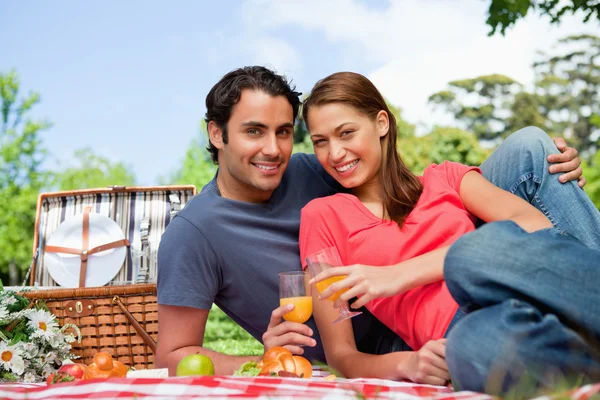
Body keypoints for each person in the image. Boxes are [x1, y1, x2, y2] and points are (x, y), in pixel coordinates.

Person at [155, 66, 588, 376]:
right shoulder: (199, 233)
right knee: (481, 327)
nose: (273, 149)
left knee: (533, 151)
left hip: (480, 271)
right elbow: (171, 355)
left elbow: (419, 191)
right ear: (217, 134)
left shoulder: (314, 167)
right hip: (405, 337)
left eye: (284, 132)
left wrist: (552, 172)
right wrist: (268, 358)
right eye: (253, 131)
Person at [299, 71, 600, 393]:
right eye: (321, 142)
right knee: (472, 348)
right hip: (469, 329)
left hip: (532, 283)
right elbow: (342, 356)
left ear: (382, 123)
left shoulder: (445, 177)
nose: (335, 153)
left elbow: (536, 227)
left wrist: (400, 274)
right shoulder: (321, 217)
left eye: (346, 133)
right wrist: (408, 364)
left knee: (470, 253)